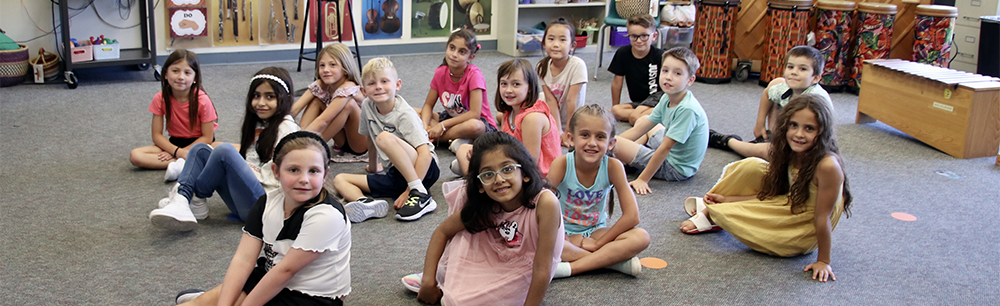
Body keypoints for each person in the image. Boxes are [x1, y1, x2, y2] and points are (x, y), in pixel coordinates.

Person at [680, 94, 852, 283]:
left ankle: (715, 215)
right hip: (790, 203)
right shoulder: (789, 149)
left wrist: (824, 261)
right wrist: (729, 200)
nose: (799, 134)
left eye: (809, 128)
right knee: (752, 165)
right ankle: (716, 211)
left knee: (744, 217)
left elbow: (822, 217)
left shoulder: (828, 166)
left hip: (802, 227)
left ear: (822, 132)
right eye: (794, 125)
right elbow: (778, 195)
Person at [173, 131, 351, 305]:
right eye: (293, 170)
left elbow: (286, 271)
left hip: (312, 296)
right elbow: (243, 259)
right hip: (269, 276)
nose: (304, 179)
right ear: (276, 171)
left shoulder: (327, 216)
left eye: (313, 171)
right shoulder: (267, 203)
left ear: (325, 174)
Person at [402, 132, 563, 305]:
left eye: (507, 169)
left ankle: (447, 278)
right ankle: (443, 275)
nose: (499, 180)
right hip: (498, 250)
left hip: (530, 264)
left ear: (525, 173)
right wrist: (428, 282)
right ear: (479, 185)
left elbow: (542, 269)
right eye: (488, 174)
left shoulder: (545, 203)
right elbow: (442, 231)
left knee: (458, 301)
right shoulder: (487, 201)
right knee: (466, 220)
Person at [149, 67, 300, 231]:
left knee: (224, 151)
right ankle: (184, 198)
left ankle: (191, 195)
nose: (261, 103)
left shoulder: (288, 129)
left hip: (265, 207)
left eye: (270, 96)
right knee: (200, 149)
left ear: (287, 98)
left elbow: (283, 179)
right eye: (256, 96)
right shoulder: (260, 123)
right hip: (245, 199)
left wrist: (239, 166)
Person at [547, 105, 651, 278]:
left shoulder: (613, 167)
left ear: (611, 143)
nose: (592, 143)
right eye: (585, 135)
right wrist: (564, 235)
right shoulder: (562, 164)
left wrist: (598, 243)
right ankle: (612, 262)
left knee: (641, 237)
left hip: (595, 233)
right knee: (539, 239)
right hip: (562, 233)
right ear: (571, 139)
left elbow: (632, 216)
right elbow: (540, 205)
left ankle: (570, 268)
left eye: (600, 137)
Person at [332, 57, 440, 222]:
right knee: (339, 179)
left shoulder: (405, 114)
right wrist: (374, 167)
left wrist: (410, 191)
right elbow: (371, 138)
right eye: (372, 83)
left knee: (384, 137)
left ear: (397, 85)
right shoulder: (367, 106)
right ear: (364, 90)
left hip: (425, 168)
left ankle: (421, 195)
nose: (379, 87)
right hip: (397, 172)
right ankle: (366, 204)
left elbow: (425, 155)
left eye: (384, 81)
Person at [612, 47, 709, 195]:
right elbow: (641, 128)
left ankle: (625, 157)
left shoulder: (687, 110)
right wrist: (610, 143)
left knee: (614, 143)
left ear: (690, 80)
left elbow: (665, 149)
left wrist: (643, 179)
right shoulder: (667, 97)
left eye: (677, 73)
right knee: (642, 120)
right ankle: (626, 156)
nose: (668, 77)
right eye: (665, 71)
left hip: (675, 168)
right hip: (670, 152)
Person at [708, 45, 833, 159]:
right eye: (790, 67)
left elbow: (819, 134)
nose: (794, 72)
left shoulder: (814, 100)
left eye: (802, 69)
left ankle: (729, 141)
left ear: (816, 78)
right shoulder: (787, 87)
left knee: (769, 153)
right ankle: (770, 137)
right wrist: (760, 123)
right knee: (776, 83)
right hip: (790, 133)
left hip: (808, 145)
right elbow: (767, 94)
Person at [453, 59, 560, 177]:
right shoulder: (508, 112)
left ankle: (477, 179)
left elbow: (530, 163)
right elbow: (504, 144)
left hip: (535, 176)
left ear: (529, 87)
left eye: (516, 84)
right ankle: (478, 176)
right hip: (513, 163)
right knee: (463, 149)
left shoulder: (532, 118)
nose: (508, 90)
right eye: (504, 83)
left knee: (475, 161)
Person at [130, 49, 218, 174]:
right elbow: (157, 135)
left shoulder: (203, 100)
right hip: (175, 144)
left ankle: (182, 163)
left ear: (195, 78)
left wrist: (180, 152)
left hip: (200, 145)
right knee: (136, 155)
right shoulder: (160, 98)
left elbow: (207, 137)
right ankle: (188, 163)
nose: (180, 77)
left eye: (187, 73)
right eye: (175, 71)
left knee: (237, 151)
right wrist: (176, 151)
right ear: (165, 74)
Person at [418, 29, 497, 153]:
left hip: (477, 122)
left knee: (475, 127)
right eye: (452, 48)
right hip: (451, 118)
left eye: (462, 52)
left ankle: (436, 137)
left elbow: (474, 114)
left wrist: (442, 126)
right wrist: (423, 125)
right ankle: (452, 138)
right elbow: (428, 105)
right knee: (413, 112)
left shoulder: (474, 75)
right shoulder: (440, 72)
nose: (454, 54)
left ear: (471, 57)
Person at [291, 43, 367, 157]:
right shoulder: (323, 84)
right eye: (322, 65)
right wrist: (277, 126)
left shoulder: (348, 87)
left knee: (349, 104)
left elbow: (324, 120)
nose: (326, 70)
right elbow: (295, 108)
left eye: (332, 65)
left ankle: (307, 146)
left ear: (345, 69)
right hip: (341, 139)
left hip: (360, 144)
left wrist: (297, 142)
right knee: (318, 98)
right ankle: (301, 136)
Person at [537, 17, 588, 147]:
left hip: (573, 116)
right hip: (552, 114)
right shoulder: (541, 67)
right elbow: (551, 101)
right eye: (551, 39)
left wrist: (568, 131)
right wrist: (557, 131)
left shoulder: (577, 65)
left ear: (572, 46)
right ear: (544, 43)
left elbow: (572, 100)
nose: (556, 44)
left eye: (562, 40)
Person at [609, 14, 665, 126]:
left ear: (654, 36)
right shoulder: (623, 53)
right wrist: (614, 109)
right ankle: (657, 117)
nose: (639, 41)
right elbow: (616, 83)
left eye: (644, 36)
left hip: (658, 101)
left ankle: (658, 114)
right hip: (638, 102)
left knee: (635, 117)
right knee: (615, 111)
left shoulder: (661, 56)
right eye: (634, 36)